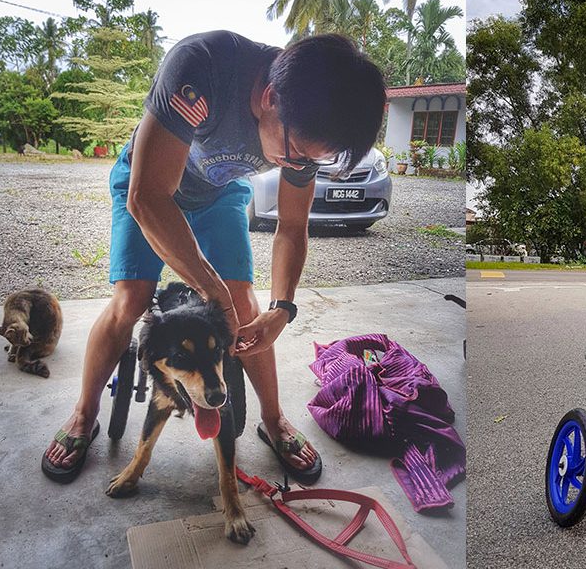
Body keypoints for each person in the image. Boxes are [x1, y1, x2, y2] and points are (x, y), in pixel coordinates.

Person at [41, 30, 386, 484]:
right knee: (133, 299)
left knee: (244, 304)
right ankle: (84, 414)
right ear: (270, 98)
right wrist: (209, 287)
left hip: (218, 192)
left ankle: (274, 419)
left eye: (311, 160)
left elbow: (292, 227)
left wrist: (283, 308)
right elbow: (147, 197)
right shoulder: (201, 69)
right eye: (295, 153)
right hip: (148, 185)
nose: (296, 165)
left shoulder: (302, 133)